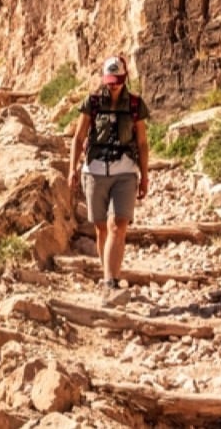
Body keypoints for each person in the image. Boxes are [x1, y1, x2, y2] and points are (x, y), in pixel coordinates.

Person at [67, 55, 151, 292]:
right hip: (94, 171)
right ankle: (109, 274)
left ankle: (110, 281)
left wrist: (144, 176)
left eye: (116, 80)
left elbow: (142, 143)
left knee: (118, 225)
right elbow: (79, 137)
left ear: (124, 78)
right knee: (102, 227)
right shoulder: (92, 103)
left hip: (125, 171)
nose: (112, 85)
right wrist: (72, 169)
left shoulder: (135, 105)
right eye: (109, 80)